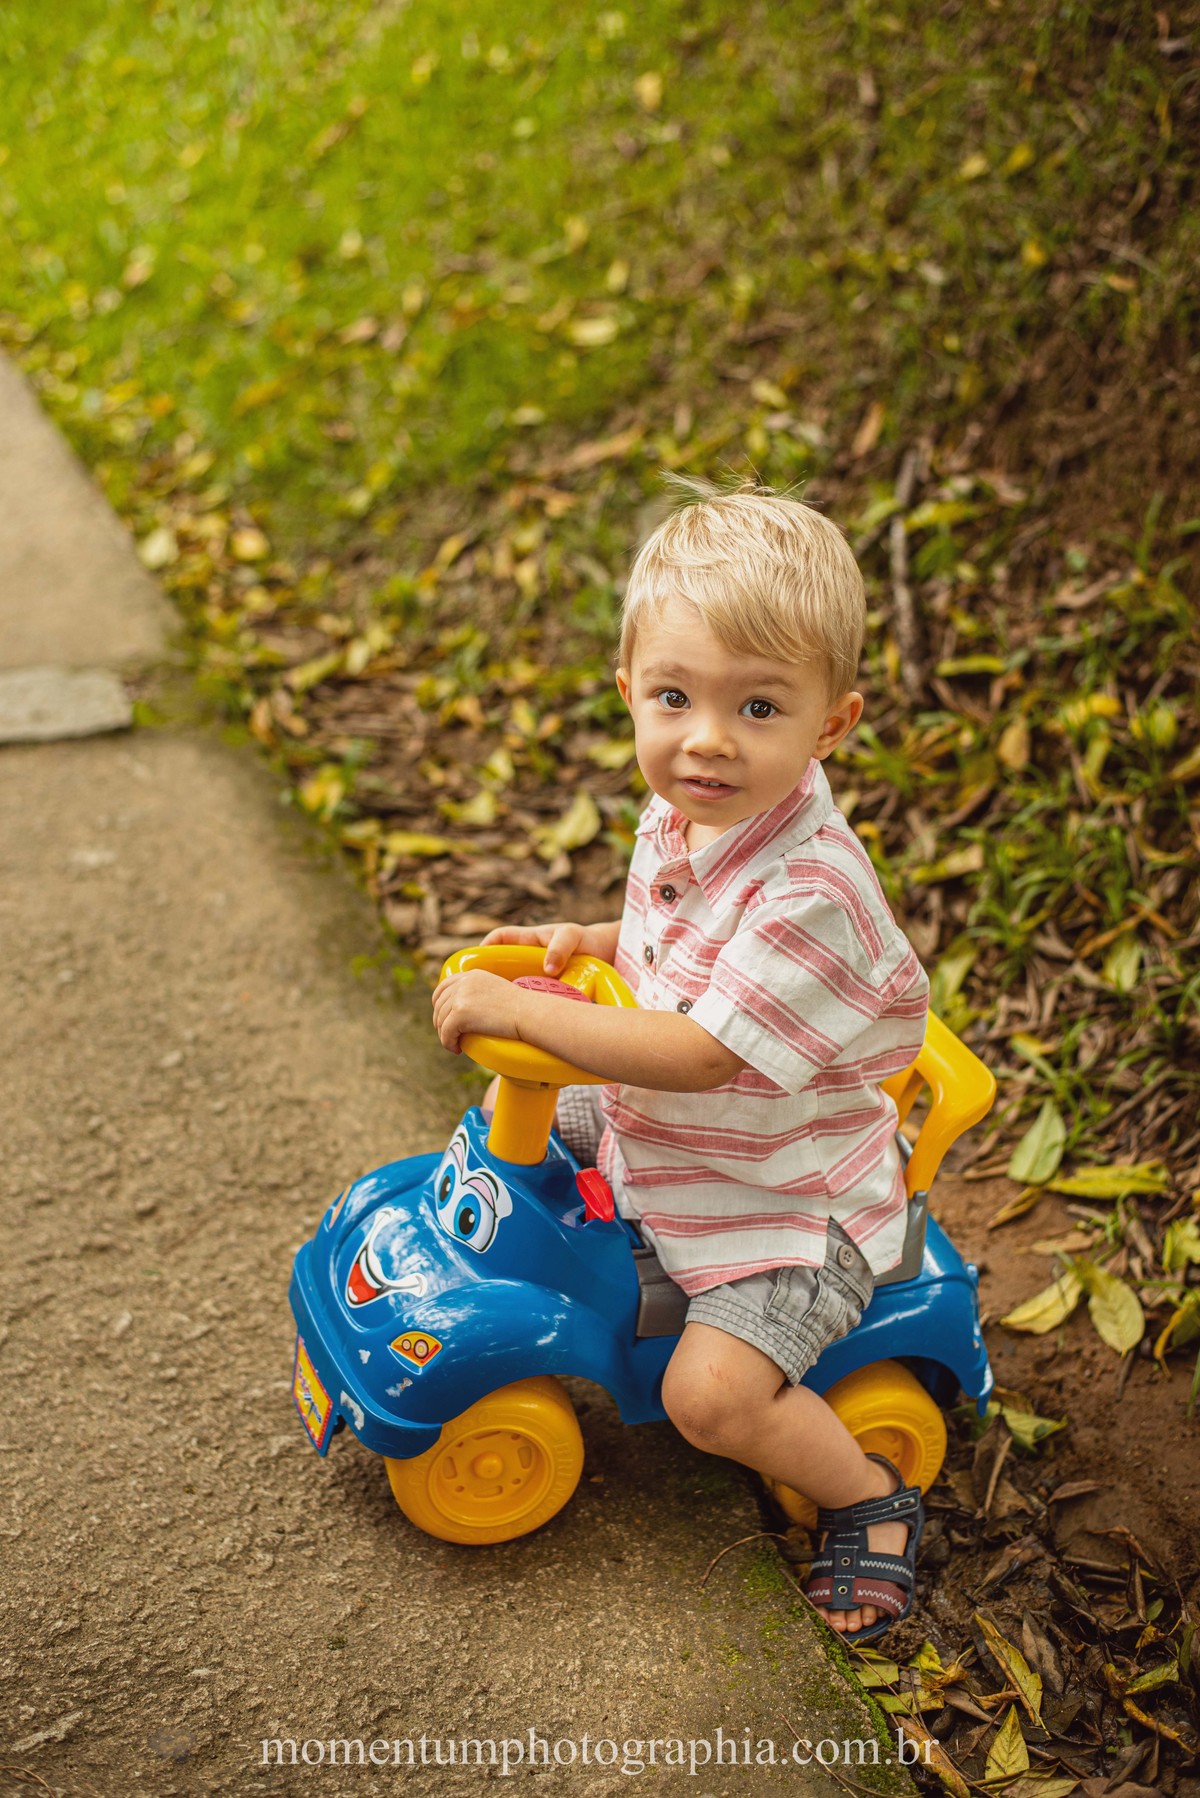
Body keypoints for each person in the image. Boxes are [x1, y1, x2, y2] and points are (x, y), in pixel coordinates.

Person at [431, 479, 929, 1643]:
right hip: (685, 1135)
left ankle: (873, 1497)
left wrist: (536, 1016)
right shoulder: (693, 808)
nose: (707, 738)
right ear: (629, 693)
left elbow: (702, 1051)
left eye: (759, 706)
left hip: (787, 1200)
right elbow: (678, 952)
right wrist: (594, 947)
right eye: (675, 697)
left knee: (711, 1397)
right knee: (515, 1137)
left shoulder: (811, 890)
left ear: (831, 724)